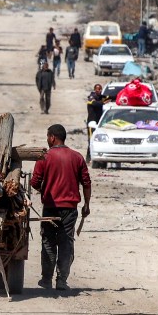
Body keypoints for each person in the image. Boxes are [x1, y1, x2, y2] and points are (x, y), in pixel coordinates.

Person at [30, 124, 92, 292]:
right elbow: (86, 182)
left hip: (50, 207)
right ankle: (62, 280)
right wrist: (86, 204)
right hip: (70, 209)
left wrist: (45, 191)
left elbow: (35, 182)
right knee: (66, 243)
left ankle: (46, 279)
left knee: (48, 241)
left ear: (52, 137)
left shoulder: (45, 157)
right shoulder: (77, 157)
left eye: (47, 136)